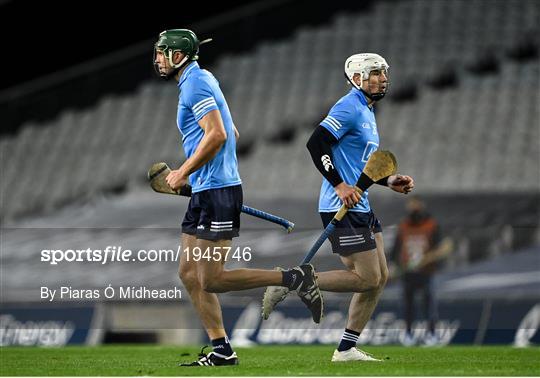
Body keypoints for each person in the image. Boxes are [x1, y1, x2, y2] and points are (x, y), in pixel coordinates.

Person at [153, 29, 323, 366]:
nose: (157, 58)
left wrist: (184, 170)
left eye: (162, 52)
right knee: (189, 274)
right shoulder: (200, 79)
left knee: (212, 279)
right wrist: (200, 173)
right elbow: (230, 131)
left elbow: (217, 134)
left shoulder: (195, 83)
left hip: (217, 190)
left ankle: (294, 278)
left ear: (178, 55)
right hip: (207, 190)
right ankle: (222, 350)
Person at [263, 53, 414, 362]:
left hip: (361, 203)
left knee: (380, 277)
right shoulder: (349, 106)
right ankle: (297, 279)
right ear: (357, 78)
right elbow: (315, 143)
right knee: (367, 277)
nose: (384, 78)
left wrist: (389, 181)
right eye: (375, 73)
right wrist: (339, 185)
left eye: (384, 72)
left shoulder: (368, 111)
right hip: (340, 204)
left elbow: (360, 165)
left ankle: (346, 349)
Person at [390, 196, 452, 346]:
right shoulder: (403, 225)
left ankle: (431, 334)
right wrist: (394, 265)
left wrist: (428, 258)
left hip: (426, 271)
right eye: (411, 205)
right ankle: (408, 334)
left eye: (416, 205)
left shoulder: (431, 225)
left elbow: (443, 246)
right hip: (407, 272)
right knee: (408, 305)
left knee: (428, 305)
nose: (414, 208)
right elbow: (396, 249)